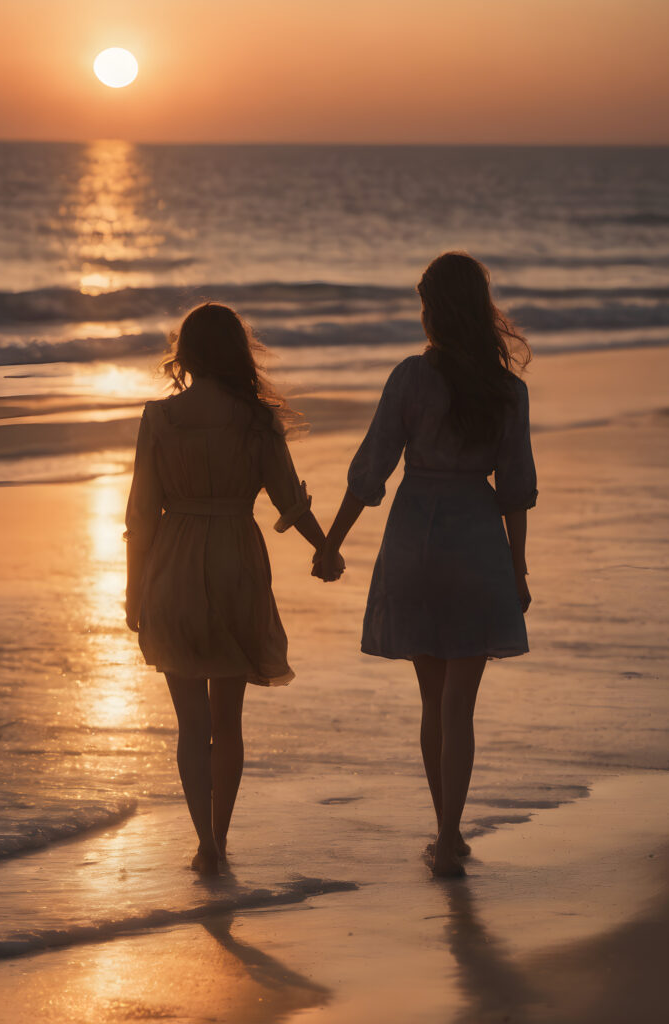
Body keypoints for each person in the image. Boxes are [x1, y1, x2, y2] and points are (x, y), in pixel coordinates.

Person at [314, 253, 537, 878]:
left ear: (433, 309)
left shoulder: (412, 378)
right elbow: (516, 488)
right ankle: (446, 838)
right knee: (459, 706)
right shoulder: (506, 391)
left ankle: (447, 831)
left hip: (415, 538)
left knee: (431, 700)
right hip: (475, 540)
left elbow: (371, 469)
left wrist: (331, 543)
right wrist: (518, 569)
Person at [125, 302, 342, 875]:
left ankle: (205, 843)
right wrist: (324, 547)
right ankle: (219, 836)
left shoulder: (159, 418)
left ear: (187, 355)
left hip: (172, 564)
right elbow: (288, 499)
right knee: (228, 722)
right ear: (238, 353)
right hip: (235, 563)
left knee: (191, 725)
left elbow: (142, 514)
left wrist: (132, 591)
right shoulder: (255, 420)